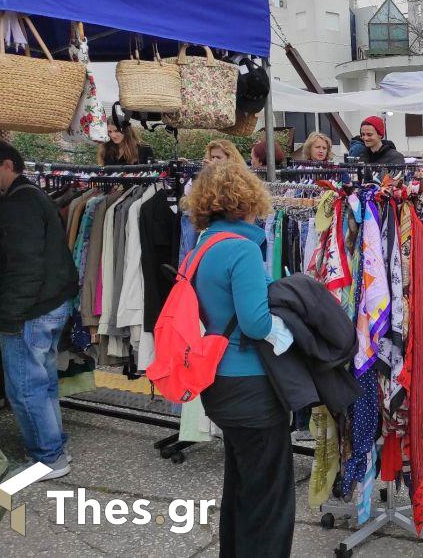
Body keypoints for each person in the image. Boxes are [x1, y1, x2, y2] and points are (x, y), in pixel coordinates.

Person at [181, 162, 294, 557]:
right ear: (245, 198)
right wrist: (291, 330)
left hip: (219, 382)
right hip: (251, 386)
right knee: (270, 499)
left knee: (243, 486)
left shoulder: (202, 246)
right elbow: (255, 321)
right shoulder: (242, 249)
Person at [0, 140, 77, 480]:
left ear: (6, 164)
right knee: (43, 381)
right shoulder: (27, 198)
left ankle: (49, 458)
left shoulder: (19, 205)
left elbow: (25, 267)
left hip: (30, 310)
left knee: (25, 387)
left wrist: (9, 316)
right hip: (47, 303)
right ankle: (53, 446)